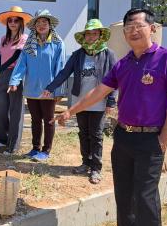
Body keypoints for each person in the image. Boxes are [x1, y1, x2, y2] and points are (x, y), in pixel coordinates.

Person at [56, 8, 167, 226]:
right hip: (123, 137)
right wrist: (71, 110)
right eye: (128, 28)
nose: (132, 31)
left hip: (151, 140)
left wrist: (165, 137)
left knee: (146, 202)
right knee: (124, 195)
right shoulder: (124, 63)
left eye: (138, 25)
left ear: (152, 28)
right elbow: (99, 92)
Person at [42, 19, 117, 184]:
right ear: (84, 36)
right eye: (88, 34)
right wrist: (51, 87)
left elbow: (115, 79)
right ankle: (86, 162)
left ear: (100, 35)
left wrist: (111, 101)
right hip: (79, 101)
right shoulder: (78, 55)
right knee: (83, 133)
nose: (91, 37)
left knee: (96, 134)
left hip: (98, 101)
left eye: (95, 33)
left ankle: (96, 168)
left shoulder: (108, 54)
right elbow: (64, 73)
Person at [8, 9, 65, 162]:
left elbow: (60, 68)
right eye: (38, 22)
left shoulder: (58, 44)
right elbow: (21, 65)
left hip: (48, 90)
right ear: (34, 26)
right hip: (32, 89)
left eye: (44, 22)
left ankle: (46, 150)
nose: (41, 25)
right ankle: (35, 148)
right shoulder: (29, 45)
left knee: (48, 119)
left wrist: (58, 90)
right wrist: (14, 81)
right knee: (35, 119)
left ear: (49, 24)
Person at [0, 6, 32, 154]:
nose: (13, 23)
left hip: (16, 74)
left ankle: (13, 145)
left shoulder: (25, 39)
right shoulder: (3, 39)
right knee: (1, 108)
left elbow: (16, 57)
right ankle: (2, 139)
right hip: (2, 75)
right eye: (10, 20)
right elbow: (1, 59)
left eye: (16, 20)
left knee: (15, 110)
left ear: (21, 23)